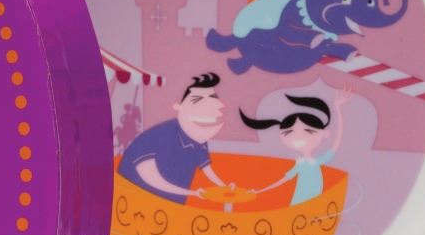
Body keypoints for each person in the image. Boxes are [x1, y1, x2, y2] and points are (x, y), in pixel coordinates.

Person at [118, 72, 234, 200]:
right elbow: (151, 178)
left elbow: (206, 168)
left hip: (173, 202)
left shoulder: (198, 136)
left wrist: (224, 187)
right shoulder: (158, 136)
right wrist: (192, 193)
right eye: (197, 101)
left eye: (212, 99)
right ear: (178, 107)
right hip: (136, 199)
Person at [239, 89, 351, 204]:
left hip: (313, 201)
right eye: (288, 133)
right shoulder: (301, 164)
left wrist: (338, 109)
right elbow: (283, 180)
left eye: (308, 131)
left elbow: (336, 142)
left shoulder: (313, 162)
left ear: (325, 133)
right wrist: (260, 191)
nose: (299, 137)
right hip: (300, 202)